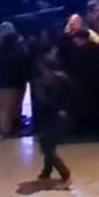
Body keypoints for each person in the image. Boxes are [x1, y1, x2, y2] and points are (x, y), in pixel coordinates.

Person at [31, 49, 72, 185]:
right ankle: (46, 171)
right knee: (49, 146)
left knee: (47, 148)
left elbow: (44, 102)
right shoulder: (64, 79)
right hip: (60, 116)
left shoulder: (44, 83)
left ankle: (65, 173)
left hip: (50, 117)